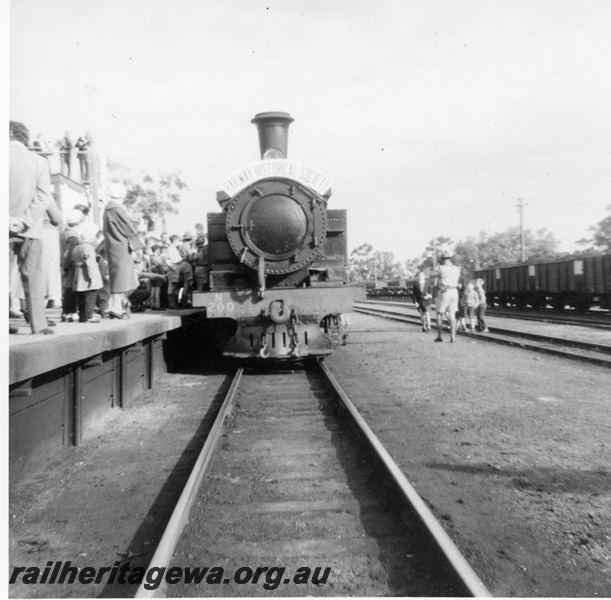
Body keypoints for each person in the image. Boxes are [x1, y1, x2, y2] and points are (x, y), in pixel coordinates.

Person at [9, 121, 55, 335]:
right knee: (33, 276)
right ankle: (39, 325)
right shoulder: (39, 162)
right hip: (31, 229)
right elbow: (44, 196)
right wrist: (25, 220)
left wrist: (8, 220)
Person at [102, 183, 138, 319]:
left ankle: (114, 306)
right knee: (122, 277)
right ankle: (117, 307)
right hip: (121, 246)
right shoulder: (117, 209)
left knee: (117, 276)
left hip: (112, 246)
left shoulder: (108, 209)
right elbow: (128, 228)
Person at [71, 225, 103, 323]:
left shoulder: (77, 247)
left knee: (81, 297)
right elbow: (91, 264)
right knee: (90, 298)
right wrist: (92, 277)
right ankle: (89, 316)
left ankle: (82, 316)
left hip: (78, 274)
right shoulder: (88, 248)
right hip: (87, 275)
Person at [431, 252, 460, 343]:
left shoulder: (440, 268)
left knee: (439, 314)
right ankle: (453, 336)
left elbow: (432, 275)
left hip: (444, 292)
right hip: (454, 292)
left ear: (442, 259)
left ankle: (439, 336)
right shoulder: (456, 268)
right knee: (452, 315)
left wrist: (437, 267)